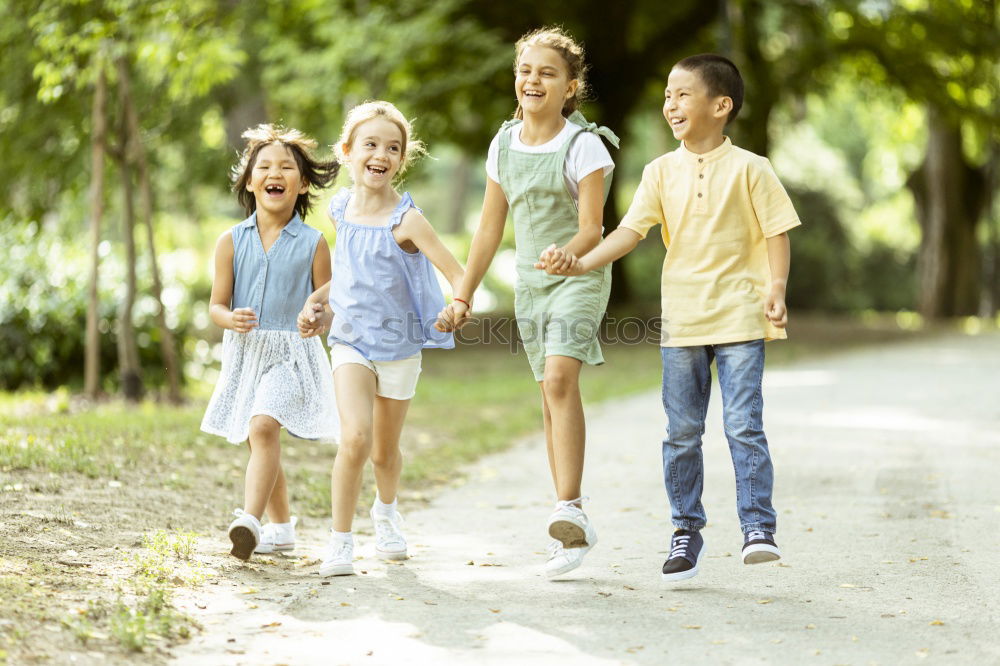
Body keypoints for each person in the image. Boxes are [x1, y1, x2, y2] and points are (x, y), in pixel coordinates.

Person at [538, 54, 801, 582]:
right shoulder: (659, 171)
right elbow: (629, 233)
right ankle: (685, 529)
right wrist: (579, 260)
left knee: (743, 427)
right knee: (682, 432)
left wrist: (775, 287)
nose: (670, 104)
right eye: (666, 95)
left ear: (720, 105)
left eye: (683, 94)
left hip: (741, 319)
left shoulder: (752, 168)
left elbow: (777, 231)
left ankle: (757, 527)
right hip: (682, 322)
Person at [436, 27, 618, 578]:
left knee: (561, 380)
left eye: (548, 73)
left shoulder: (584, 145)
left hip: (581, 274)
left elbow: (593, 227)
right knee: (547, 396)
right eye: (526, 71)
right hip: (531, 285)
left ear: (570, 87)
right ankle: (571, 529)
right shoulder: (501, 144)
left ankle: (568, 507)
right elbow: (490, 229)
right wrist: (463, 293)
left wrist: (570, 256)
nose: (533, 80)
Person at [297, 101, 465, 577]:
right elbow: (349, 276)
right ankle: (340, 541)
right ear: (348, 152)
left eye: (393, 148)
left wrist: (458, 304)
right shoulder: (340, 209)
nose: (382, 154)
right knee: (353, 437)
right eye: (370, 144)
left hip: (399, 346)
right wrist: (316, 302)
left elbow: (456, 272)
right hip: (351, 341)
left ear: (401, 160)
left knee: (383, 451)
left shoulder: (407, 220)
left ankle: (386, 515)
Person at [202, 124, 340, 561]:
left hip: (290, 355)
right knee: (259, 437)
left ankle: (249, 520)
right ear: (249, 181)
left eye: (286, 167)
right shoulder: (230, 241)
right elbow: (216, 306)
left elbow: (329, 302)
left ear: (301, 186)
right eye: (264, 166)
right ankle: (282, 527)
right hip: (246, 352)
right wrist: (231, 318)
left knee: (263, 426)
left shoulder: (314, 243)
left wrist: (317, 318)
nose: (274, 172)